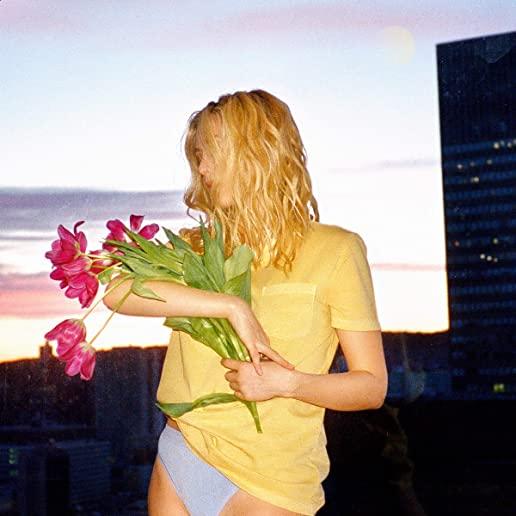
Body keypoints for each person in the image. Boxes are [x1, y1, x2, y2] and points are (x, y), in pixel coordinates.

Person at [103, 89, 388, 516]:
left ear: (258, 152)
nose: (202, 168)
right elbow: (116, 291)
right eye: (198, 156)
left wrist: (287, 383)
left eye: (212, 153)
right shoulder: (197, 247)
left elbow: (371, 387)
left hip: (272, 480)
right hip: (182, 455)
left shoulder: (337, 250)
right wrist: (228, 305)